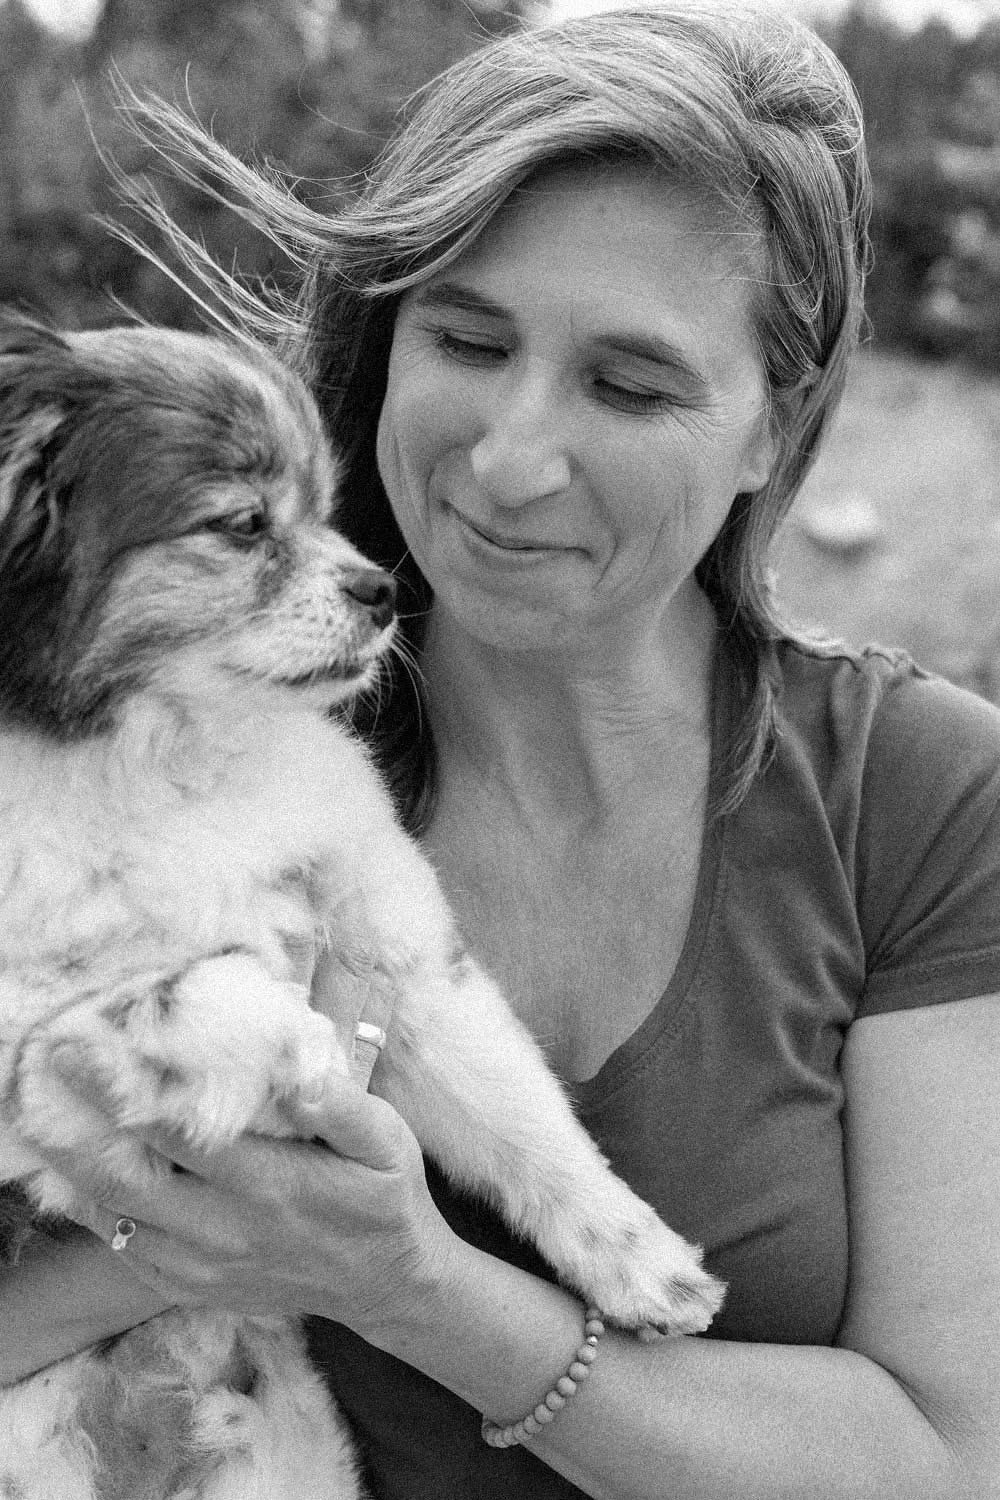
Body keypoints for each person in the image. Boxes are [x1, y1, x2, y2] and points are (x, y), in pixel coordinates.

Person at [3, 3, 1000, 1496]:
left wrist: (423, 1288)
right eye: (468, 338)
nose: (513, 460)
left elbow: (947, 1459)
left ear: (770, 439)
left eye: (631, 383)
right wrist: (175, 1228)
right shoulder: (165, 732)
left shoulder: (921, 794)